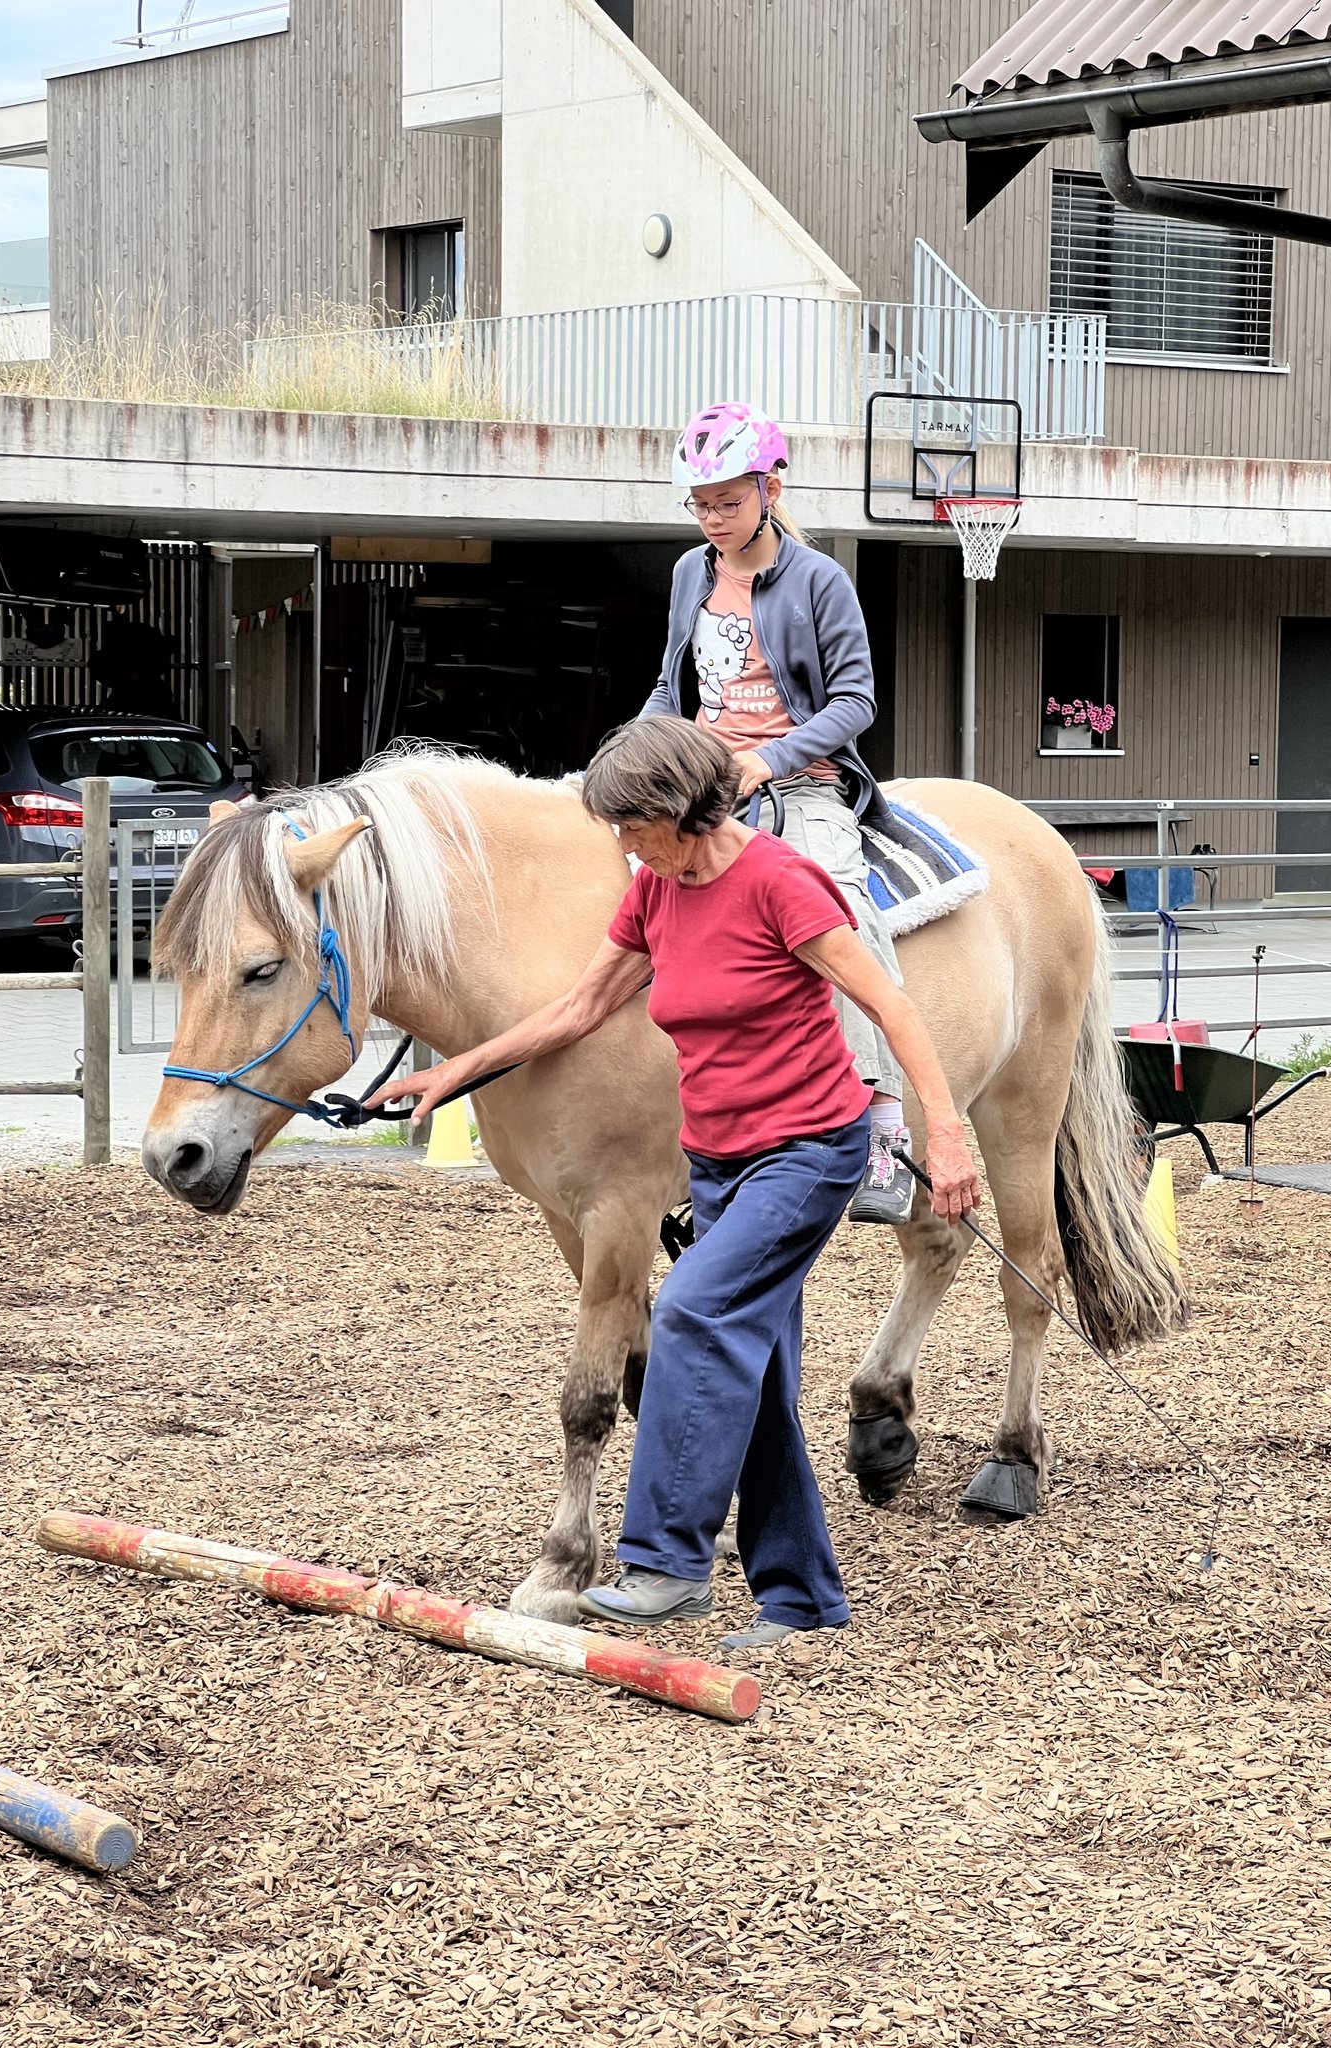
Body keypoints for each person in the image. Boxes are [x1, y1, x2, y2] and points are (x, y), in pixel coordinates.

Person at [370, 717, 980, 1652]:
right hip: (721, 1166)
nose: (619, 843)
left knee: (690, 1313)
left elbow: (888, 1004)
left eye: (629, 824)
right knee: (760, 1382)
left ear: (678, 811)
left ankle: (665, 1563)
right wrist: (459, 1070)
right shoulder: (655, 891)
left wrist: (947, 1137)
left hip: (808, 1152)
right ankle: (803, 1600)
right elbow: (579, 1008)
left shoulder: (781, 881)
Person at [642, 399, 917, 1224]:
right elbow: (671, 686)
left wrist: (770, 759)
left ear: (770, 487)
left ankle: (882, 1125)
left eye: (728, 500)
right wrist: (637, 750)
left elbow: (857, 701)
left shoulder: (819, 580)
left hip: (798, 783)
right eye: (700, 503)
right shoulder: (691, 573)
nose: (714, 518)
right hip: (698, 780)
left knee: (840, 909)